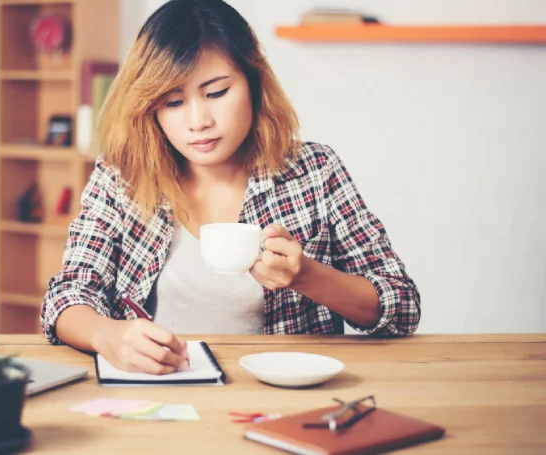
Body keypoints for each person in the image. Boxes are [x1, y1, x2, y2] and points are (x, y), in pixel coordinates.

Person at [40, 0, 421, 375]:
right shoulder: (122, 176)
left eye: (217, 92)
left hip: (282, 404)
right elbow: (68, 294)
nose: (198, 121)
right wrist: (108, 335)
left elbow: (401, 305)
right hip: (158, 395)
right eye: (173, 101)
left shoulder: (314, 171)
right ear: (150, 108)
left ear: (253, 84)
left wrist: (306, 276)